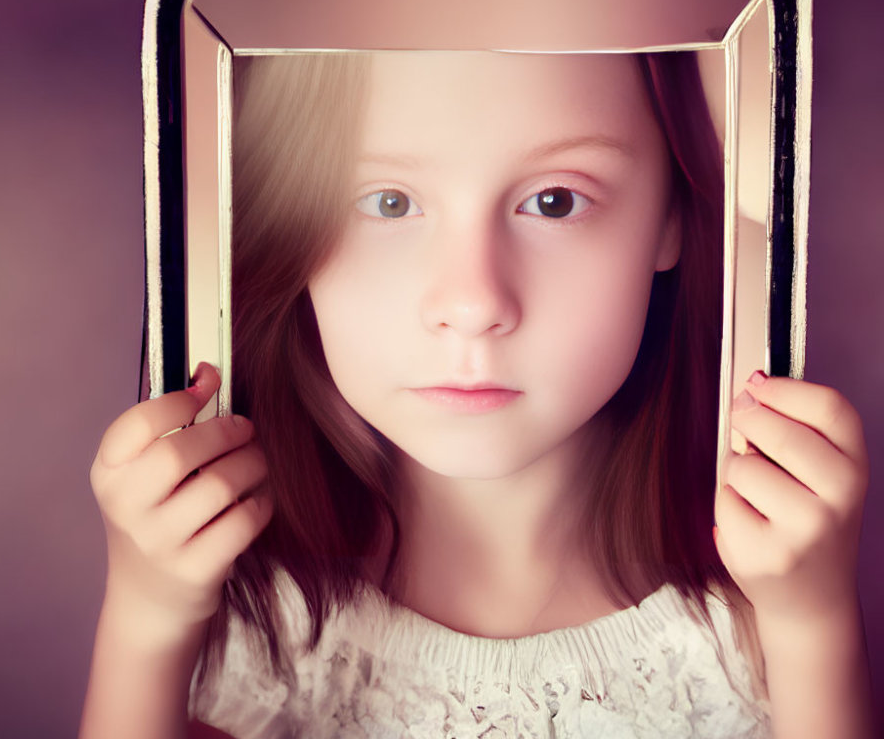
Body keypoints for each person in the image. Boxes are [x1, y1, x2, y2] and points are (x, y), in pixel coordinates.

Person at [78, 51, 874, 738]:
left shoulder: (750, 628)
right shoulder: (260, 627)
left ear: (671, 215)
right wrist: (148, 620)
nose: (473, 300)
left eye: (555, 200)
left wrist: (814, 626)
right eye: (387, 202)